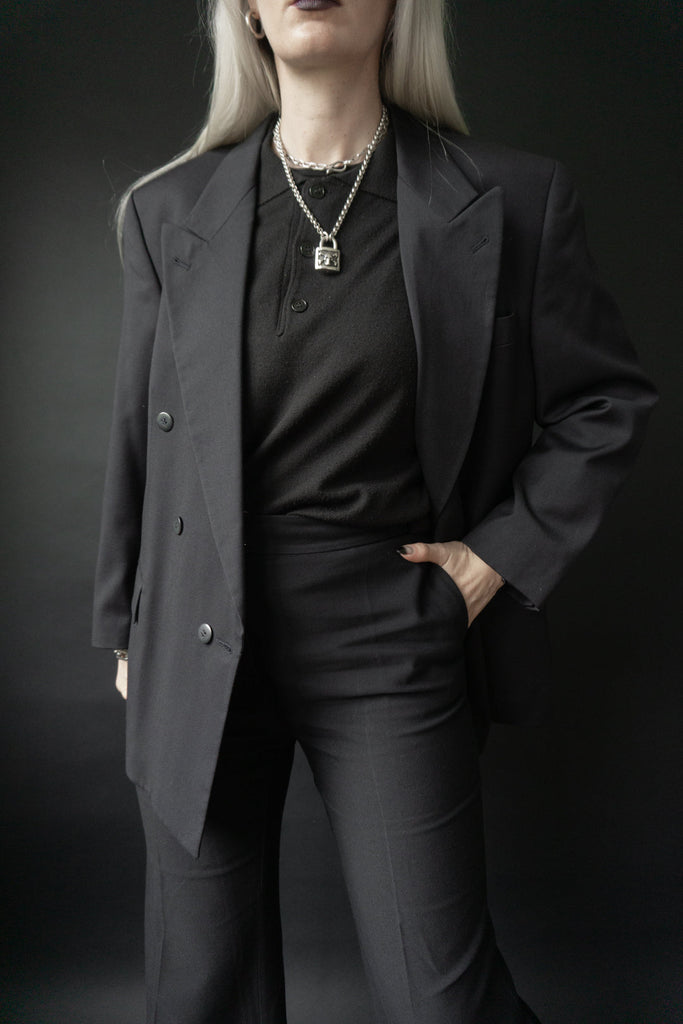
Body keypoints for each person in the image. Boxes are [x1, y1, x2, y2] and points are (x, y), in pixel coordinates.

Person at [92, 1, 657, 1021]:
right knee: (201, 991)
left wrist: (494, 558)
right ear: (245, 11)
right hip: (196, 623)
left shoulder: (513, 198)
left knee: (440, 996)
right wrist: (125, 624)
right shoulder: (165, 212)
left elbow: (603, 401)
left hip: (388, 626)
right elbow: (142, 431)